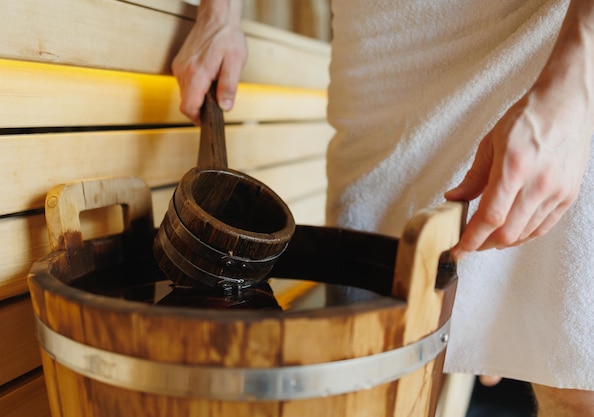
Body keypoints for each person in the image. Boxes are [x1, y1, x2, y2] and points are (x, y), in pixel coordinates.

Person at [172, 0, 594, 415]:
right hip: (383, 47)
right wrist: (219, 13)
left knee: (574, 376)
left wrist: (574, 83)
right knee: (375, 356)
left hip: (557, 41)